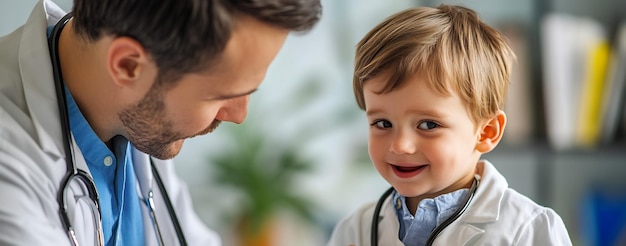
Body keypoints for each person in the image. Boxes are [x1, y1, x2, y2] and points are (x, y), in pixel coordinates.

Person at [0, 0, 320, 245]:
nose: (239, 115)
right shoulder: (9, 173)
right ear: (127, 65)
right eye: (221, 96)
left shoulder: (138, 118)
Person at [327, 5, 572, 246]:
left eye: (428, 124)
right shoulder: (355, 230)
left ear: (486, 132)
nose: (400, 145)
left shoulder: (529, 230)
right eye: (382, 123)